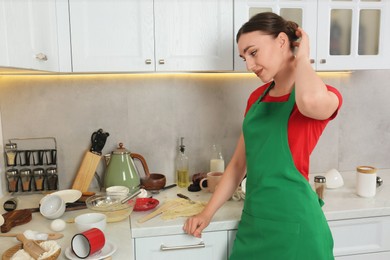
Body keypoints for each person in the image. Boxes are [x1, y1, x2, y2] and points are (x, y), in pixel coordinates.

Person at [183, 12, 342, 260]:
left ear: (281, 41)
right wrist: (206, 214)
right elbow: (237, 166)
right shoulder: (256, 99)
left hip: (297, 228)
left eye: (253, 52)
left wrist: (303, 56)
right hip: (255, 223)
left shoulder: (324, 94)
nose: (248, 65)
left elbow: (309, 101)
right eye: (244, 56)